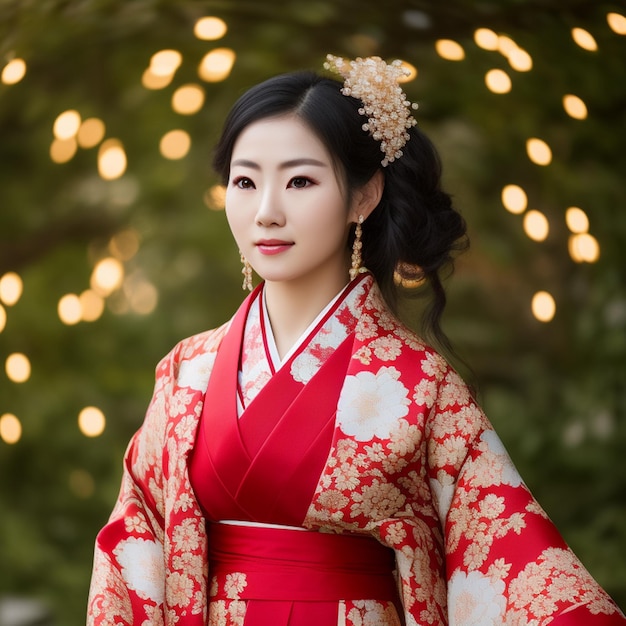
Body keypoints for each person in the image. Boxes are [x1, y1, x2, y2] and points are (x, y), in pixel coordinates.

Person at [87, 55, 625, 626]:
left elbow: (510, 554)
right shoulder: (187, 370)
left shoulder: (421, 386)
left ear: (364, 196)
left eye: (299, 181)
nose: (266, 212)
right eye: (245, 182)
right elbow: (135, 541)